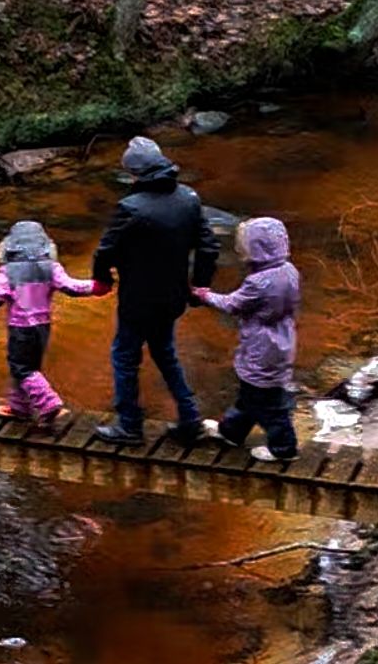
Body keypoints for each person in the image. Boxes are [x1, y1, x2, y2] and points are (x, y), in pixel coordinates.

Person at [92, 136, 219, 445]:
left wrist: (103, 280)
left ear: (135, 173)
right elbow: (209, 247)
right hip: (173, 298)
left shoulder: (130, 207)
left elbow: (106, 250)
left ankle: (130, 426)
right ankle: (190, 419)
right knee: (166, 354)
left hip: (137, 300)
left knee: (124, 357)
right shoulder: (189, 198)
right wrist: (199, 285)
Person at [0, 220, 109, 424]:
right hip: (43, 327)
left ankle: (48, 403)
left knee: (21, 367)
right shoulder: (51, 268)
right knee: (28, 367)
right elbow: (71, 286)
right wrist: (95, 286)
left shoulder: (9, 272)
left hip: (20, 328)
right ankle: (19, 408)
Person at [195, 217, 300, 462]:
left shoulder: (259, 281)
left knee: (267, 400)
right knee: (251, 394)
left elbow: (233, 304)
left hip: (262, 345)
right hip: (283, 338)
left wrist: (205, 296)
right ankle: (231, 431)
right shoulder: (289, 270)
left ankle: (284, 447)